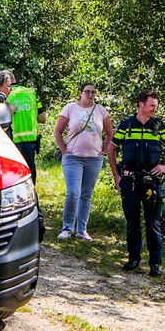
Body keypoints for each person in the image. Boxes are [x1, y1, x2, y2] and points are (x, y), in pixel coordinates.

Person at [109, 90, 165, 277]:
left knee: (153, 223)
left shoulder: (158, 126)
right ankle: (133, 259)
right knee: (132, 221)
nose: (154, 109)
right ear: (140, 105)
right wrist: (117, 177)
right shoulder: (126, 125)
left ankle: (155, 264)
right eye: (151, 106)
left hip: (152, 182)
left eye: (155, 106)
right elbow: (112, 150)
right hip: (130, 181)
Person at [54, 82, 113, 241]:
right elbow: (58, 131)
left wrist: (104, 149)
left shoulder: (100, 110)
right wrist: (63, 149)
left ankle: (82, 230)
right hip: (73, 158)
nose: (91, 94)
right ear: (80, 93)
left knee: (86, 195)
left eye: (93, 92)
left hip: (93, 159)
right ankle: (67, 228)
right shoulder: (70, 108)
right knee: (73, 193)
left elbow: (109, 132)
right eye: (87, 91)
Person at [7, 81, 45, 183]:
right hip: (30, 139)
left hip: (11, 139)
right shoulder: (32, 93)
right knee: (29, 169)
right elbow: (42, 118)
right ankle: (31, 193)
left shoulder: (5, 94)